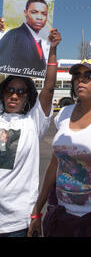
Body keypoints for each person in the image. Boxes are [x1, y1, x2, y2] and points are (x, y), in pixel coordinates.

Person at [28, 59, 91, 237]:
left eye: (89, 75)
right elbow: (55, 165)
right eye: (77, 76)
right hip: (61, 217)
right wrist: (37, 209)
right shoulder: (63, 114)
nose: (80, 80)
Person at [0, 27, 61, 237]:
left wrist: (52, 51)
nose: (14, 95)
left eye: (20, 91)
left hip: (19, 221)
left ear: (27, 97)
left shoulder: (33, 123)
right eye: (9, 90)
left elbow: (49, 88)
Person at [0, 0, 50, 75]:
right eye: (34, 12)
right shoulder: (15, 35)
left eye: (44, 14)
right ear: (25, 13)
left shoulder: (38, 39)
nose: (39, 17)